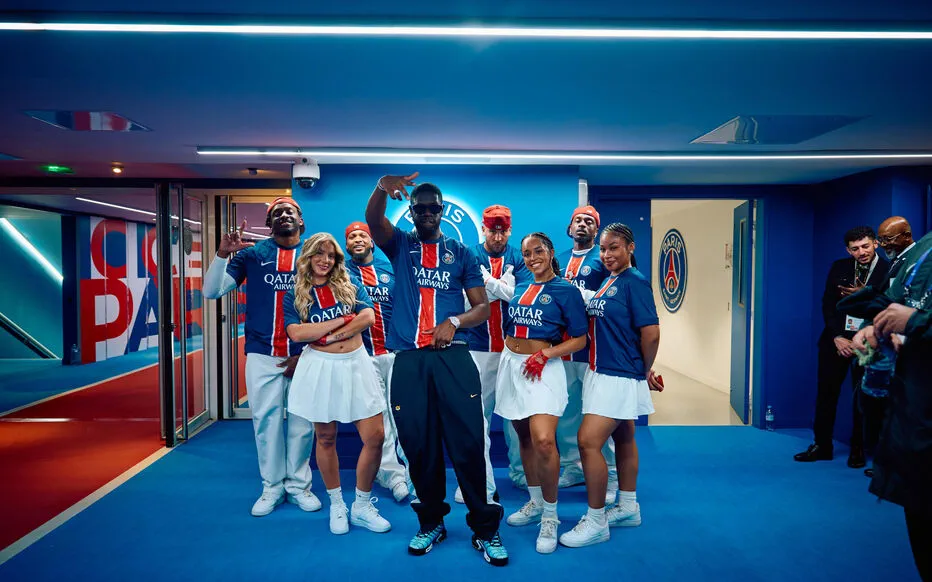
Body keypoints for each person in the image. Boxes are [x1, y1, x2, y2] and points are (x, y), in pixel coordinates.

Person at [365, 172, 508, 566]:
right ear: (411, 212)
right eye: (420, 208)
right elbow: (374, 220)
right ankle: (431, 522)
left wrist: (455, 322)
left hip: (453, 357)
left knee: (468, 442)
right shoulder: (400, 245)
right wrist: (381, 187)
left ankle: (485, 528)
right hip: (409, 359)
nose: (427, 213)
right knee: (418, 443)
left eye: (433, 208)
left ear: (442, 211)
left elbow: (482, 308)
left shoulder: (461, 253)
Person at [203, 197, 320, 517]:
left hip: (305, 354)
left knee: (303, 424)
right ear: (269, 224)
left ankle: (299, 486)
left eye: (290, 211)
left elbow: (330, 304)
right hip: (262, 353)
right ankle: (272, 486)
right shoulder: (252, 255)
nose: (284, 215)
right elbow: (211, 292)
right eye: (276, 213)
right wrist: (222, 254)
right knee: (266, 423)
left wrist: (307, 351)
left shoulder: (315, 254)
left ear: (301, 220)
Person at [559, 223, 663, 548]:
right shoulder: (610, 280)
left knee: (588, 442)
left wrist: (642, 370)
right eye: (603, 249)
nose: (606, 254)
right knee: (624, 436)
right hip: (603, 370)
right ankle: (629, 507)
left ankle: (595, 521)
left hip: (618, 374)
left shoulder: (635, 282)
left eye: (614, 247)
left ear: (630, 247)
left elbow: (651, 333)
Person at [283, 232, 391, 535]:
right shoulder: (295, 294)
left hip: (357, 364)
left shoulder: (349, 284)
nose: (325, 260)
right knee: (326, 438)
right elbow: (297, 333)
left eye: (331, 255)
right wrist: (342, 321)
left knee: (376, 437)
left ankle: (362, 505)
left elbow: (367, 317)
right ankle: (337, 503)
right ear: (308, 256)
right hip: (320, 368)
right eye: (319, 253)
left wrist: (329, 335)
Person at [497, 232, 588, 554]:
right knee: (522, 436)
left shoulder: (566, 290)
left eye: (538, 251)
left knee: (545, 441)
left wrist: (545, 354)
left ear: (550, 253)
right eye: (527, 253)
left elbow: (580, 339)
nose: (532, 257)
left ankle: (551, 516)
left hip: (543, 368)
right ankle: (535, 502)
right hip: (513, 366)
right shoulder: (521, 286)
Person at [852, 230, 932, 581]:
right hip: (916, 414)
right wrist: (875, 326)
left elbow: (914, 316)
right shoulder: (925, 249)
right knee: (920, 514)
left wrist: (915, 323)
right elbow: (897, 300)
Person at [794, 226, 888, 467]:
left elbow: (889, 307)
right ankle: (821, 445)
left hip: (868, 343)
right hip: (835, 342)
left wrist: (865, 294)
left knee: (863, 398)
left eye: (865, 246)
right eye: (855, 249)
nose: (861, 252)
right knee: (826, 394)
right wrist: (837, 336)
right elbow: (828, 304)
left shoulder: (888, 270)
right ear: (848, 250)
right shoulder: (839, 267)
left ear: (875, 244)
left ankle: (858, 448)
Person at [455, 204, 530, 503]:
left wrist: (486, 283)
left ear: (510, 231)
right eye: (492, 231)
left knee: (516, 416)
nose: (498, 237)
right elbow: (466, 300)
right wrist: (502, 288)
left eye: (503, 231)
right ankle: (476, 480)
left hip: (514, 349)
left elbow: (521, 298)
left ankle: (522, 473)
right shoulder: (469, 255)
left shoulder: (520, 256)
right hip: (477, 348)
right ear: (483, 229)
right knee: (476, 418)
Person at [344, 220, 412, 503]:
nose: (358, 240)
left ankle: (413, 473)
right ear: (347, 245)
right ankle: (392, 476)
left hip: (394, 354)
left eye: (363, 235)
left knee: (403, 414)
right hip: (364, 356)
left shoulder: (390, 269)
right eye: (352, 237)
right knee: (379, 416)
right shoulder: (343, 274)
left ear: (371, 241)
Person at [555, 206, 619, 504]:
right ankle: (572, 466)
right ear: (570, 228)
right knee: (566, 412)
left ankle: (611, 473)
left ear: (597, 230)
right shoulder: (558, 259)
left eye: (589, 221)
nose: (583, 225)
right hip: (564, 349)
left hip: (594, 349)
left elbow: (612, 299)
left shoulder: (602, 258)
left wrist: (583, 297)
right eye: (578, 220)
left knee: (598, 414)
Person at [877, 216, 917, 291]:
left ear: (907, 236)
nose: (883, 244)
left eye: (887, 239)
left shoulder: (915, 258)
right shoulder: (898, 257)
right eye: (880, 239)